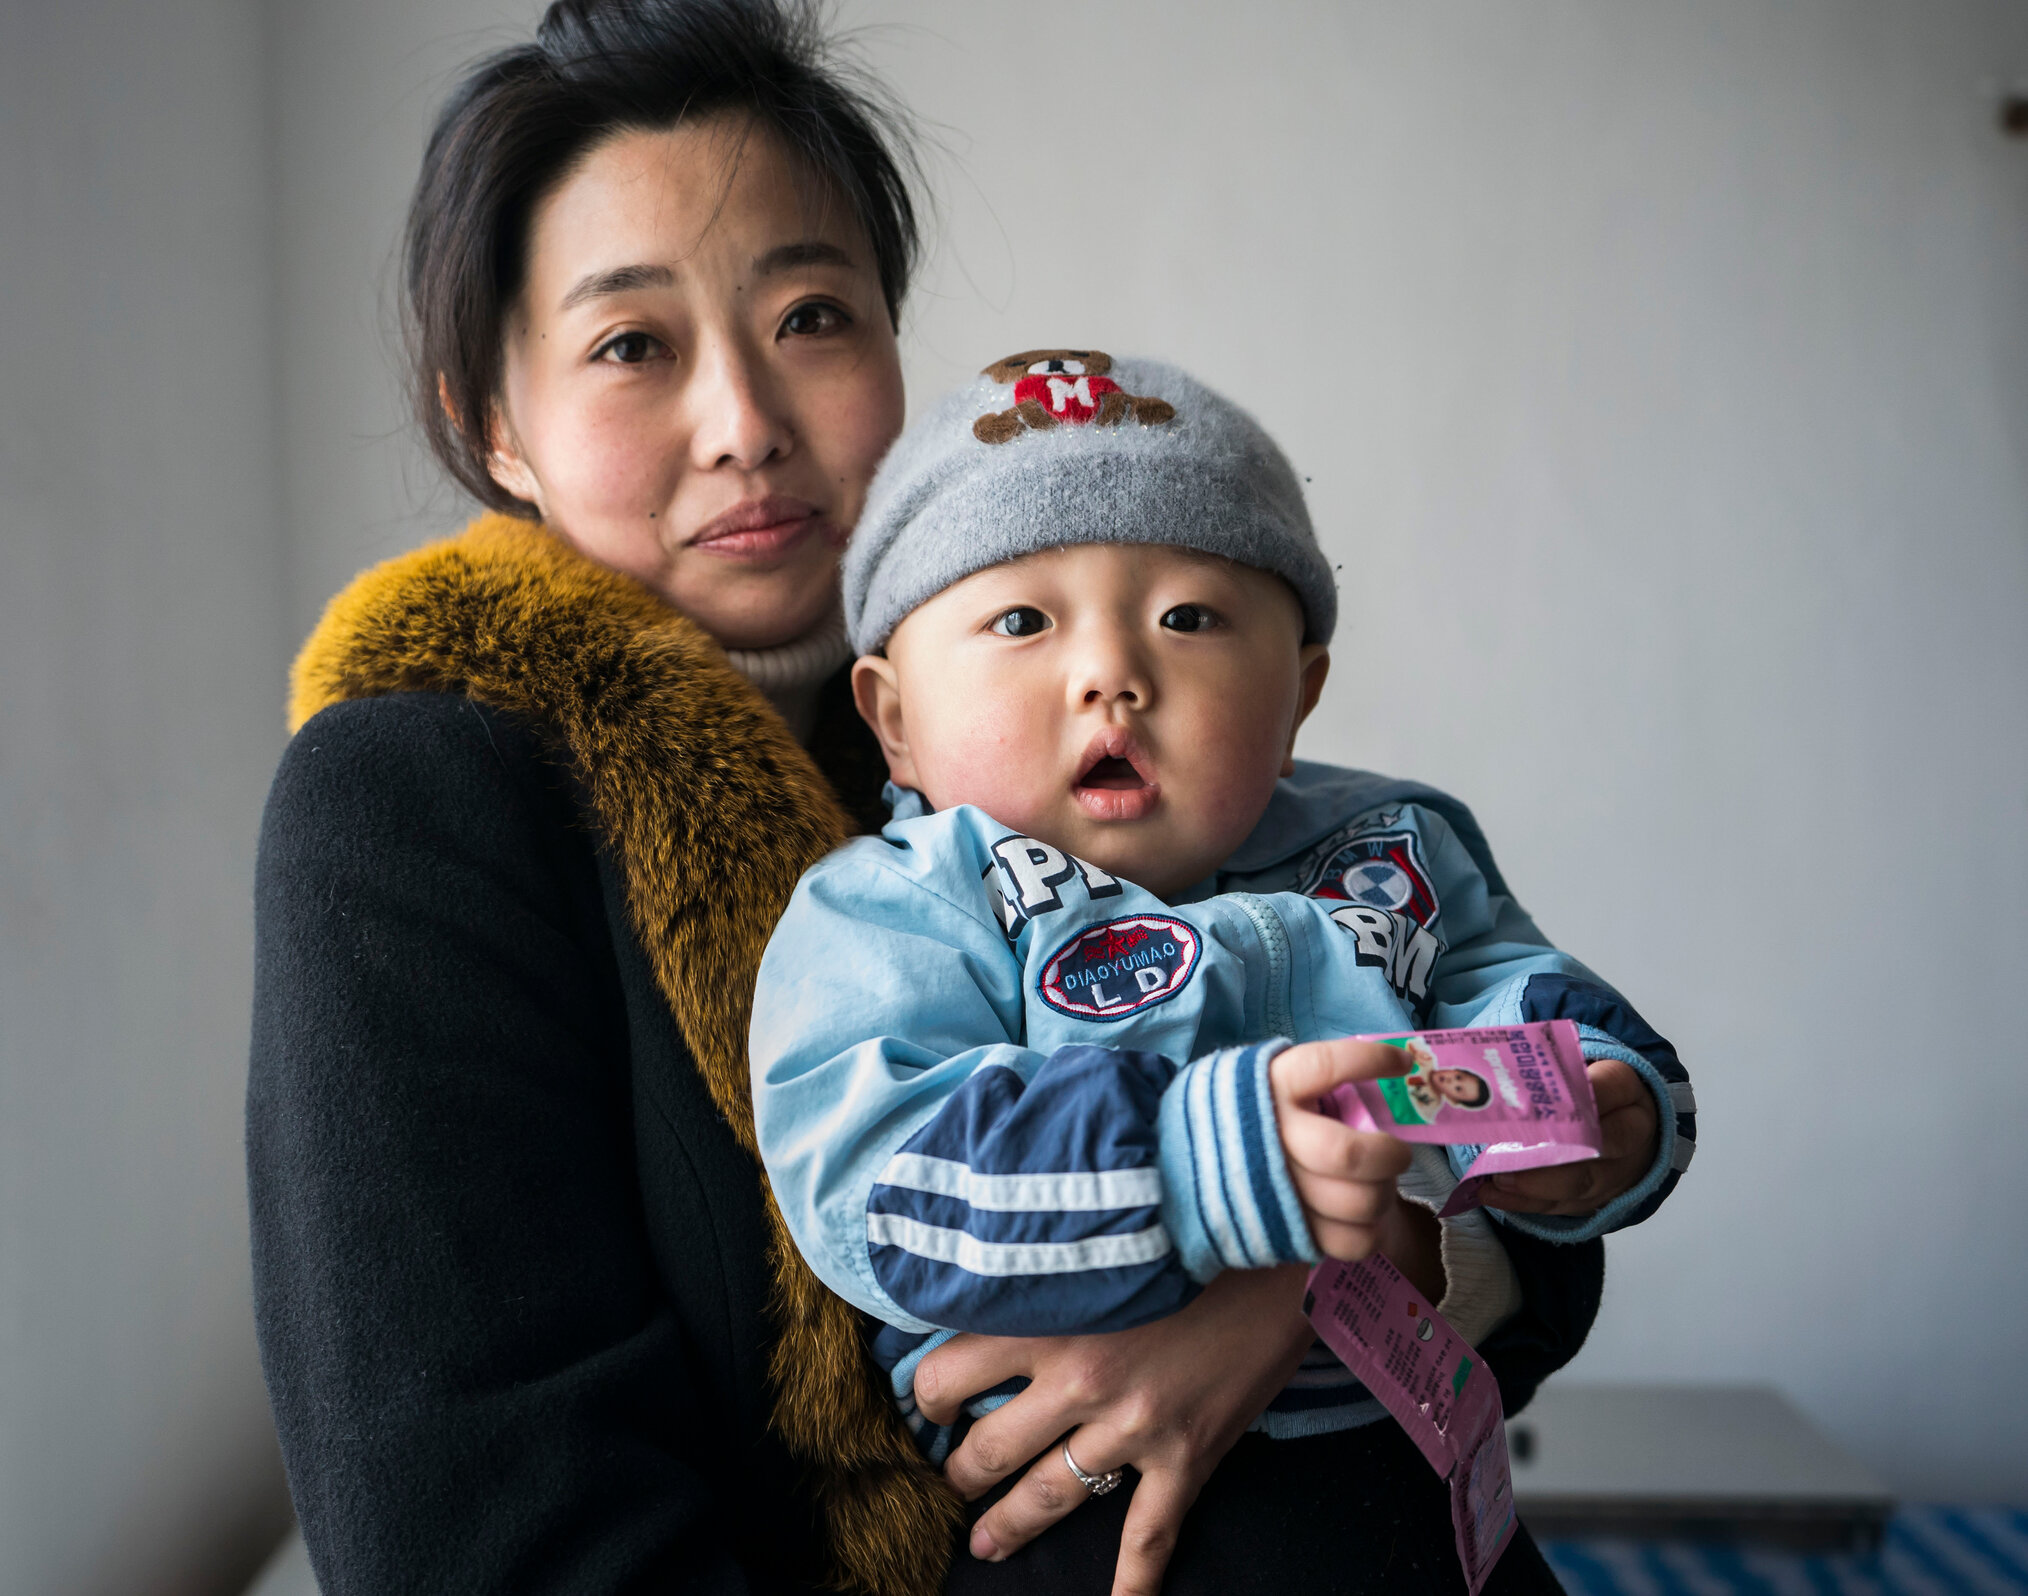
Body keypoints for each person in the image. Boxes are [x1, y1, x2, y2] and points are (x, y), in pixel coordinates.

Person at [244, 4, 1621, 1593]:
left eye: (813, 316)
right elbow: (479, 1532)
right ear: (497, 423)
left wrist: (1297, 1298)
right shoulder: (416, 793)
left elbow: (1520, 1159)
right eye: (633, 344)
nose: (747, 424)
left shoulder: (1019, 721)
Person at [750, 354, 1700, 1592]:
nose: (1112, 675)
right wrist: (1200, 1163)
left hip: (1417, 1472)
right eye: (1022, 621)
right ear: (892, 716)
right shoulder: (902, 906)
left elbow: (1512, 1001)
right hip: (1092, 1522)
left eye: (1188, 617)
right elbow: (882, 1177)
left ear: (1299, 690)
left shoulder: (1392, 848)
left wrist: (1603, 1107)